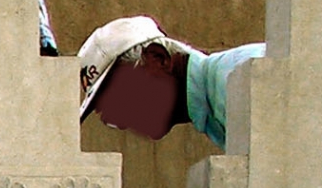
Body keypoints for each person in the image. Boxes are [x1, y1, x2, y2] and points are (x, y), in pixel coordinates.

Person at [77, 15, 263, 147]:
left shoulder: (237, 82)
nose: (122, 123)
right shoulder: (216, 101)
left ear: (159, 58)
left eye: (118, 100)